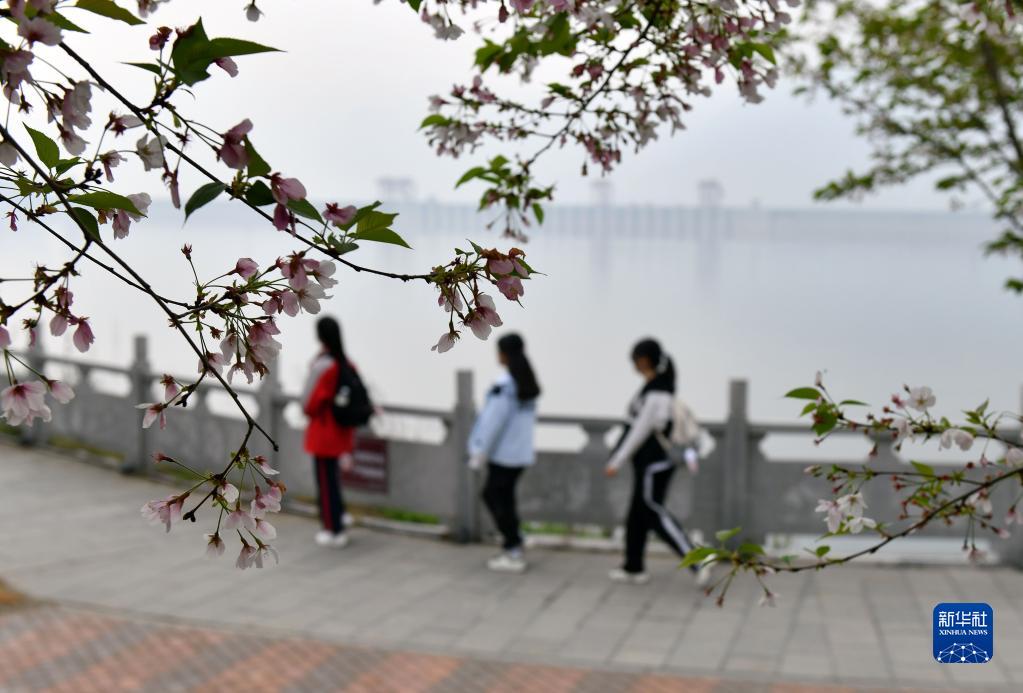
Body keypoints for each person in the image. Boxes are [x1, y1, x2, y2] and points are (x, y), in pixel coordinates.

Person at [605, 338, 709, 586]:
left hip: (654, 464)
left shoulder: (657, 393)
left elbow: (639, 430)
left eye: (635, 359)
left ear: (644, 360)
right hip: (648, 463)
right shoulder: (655, 387)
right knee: (637, 515)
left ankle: (697, 561)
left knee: (654, 513)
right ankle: (633, 567)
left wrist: (617, 460)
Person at [468, 333, 541, 573]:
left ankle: (513, 547)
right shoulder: (527, 381)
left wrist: (479, 452)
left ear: (504, 354)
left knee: (493, 496)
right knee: (505, 499)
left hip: (503, 454)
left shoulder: (505, 385)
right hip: (520, 454)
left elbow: (492, 423)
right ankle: (515, 538)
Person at [302, 316, 357, 549]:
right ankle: (341, 515)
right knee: (333, 481)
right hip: (342, 431)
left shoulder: (323, 365)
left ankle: (333, 529)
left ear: (320, 336)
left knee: (325, 483)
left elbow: (308, 403)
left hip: (324, 432)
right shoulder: (347, 363)